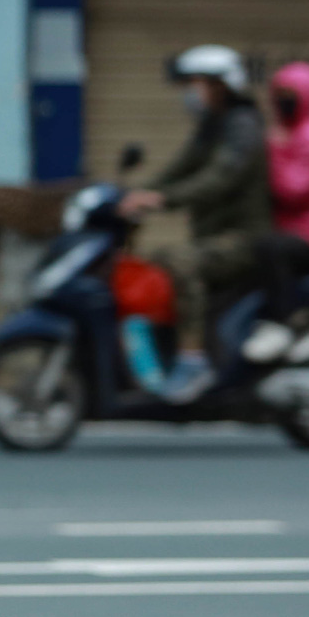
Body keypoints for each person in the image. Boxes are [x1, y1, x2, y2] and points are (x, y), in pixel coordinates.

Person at [117, 44, 271, 401]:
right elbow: (178, 169)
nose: (187, 93)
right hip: (216, 235)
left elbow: (220, 177)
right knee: (154, 262)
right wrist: (133, 195)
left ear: (219, 85)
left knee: (179, 259)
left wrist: (162, 199)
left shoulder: (243, 126)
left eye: (193, 83)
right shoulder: (211, 127)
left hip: (243, 239)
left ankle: (193, 360)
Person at [242, 60, 309, 362]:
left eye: (290, 94)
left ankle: (279, 326)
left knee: (269, 249)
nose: (282, 100)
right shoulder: (287, 132)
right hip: (295, 229)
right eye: (279, 93)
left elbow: (291, 190)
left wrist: (273, 149)